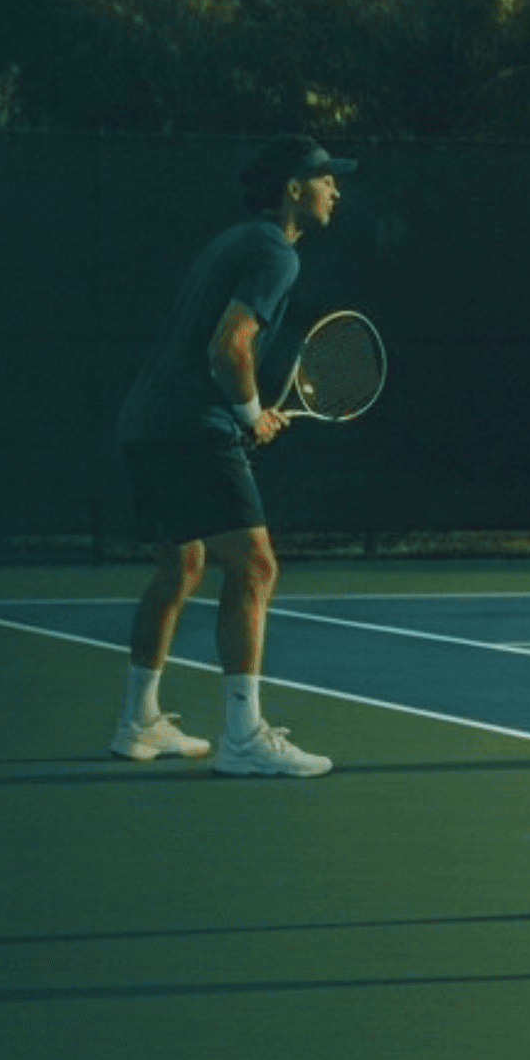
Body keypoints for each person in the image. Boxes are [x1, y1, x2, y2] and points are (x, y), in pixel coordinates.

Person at [107, 133, 353, 777]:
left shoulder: (235, 239)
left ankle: (139, 719)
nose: (336, 190)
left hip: (146, 420)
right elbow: (229, 346)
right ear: (294, 187)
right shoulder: (275, 253)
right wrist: (249, 414)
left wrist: (243, 410)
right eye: (326, 178)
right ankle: (244, 737)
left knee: (182, 565)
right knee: (255, 568)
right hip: (191, 425)